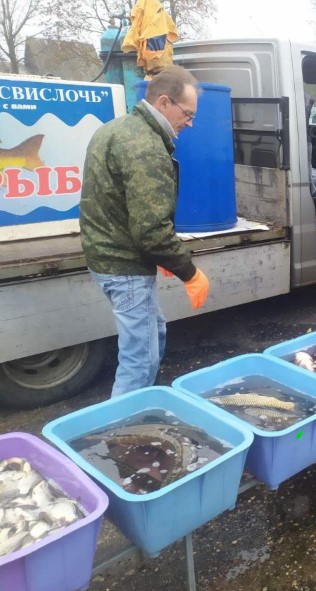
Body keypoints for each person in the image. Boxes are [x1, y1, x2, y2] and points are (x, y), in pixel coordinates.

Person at [80, 65, 209, 397]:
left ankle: (139, 406)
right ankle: (123, 424)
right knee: (139, 362)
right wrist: (190, 273)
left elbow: (113, 202)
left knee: (156, 332)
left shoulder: (114, 129)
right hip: (125, 267)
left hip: (105, 255)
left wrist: (159, 255)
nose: (190, 123)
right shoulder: (147, 147)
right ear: (164, 102)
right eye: (187, 114)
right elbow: (151, 231)